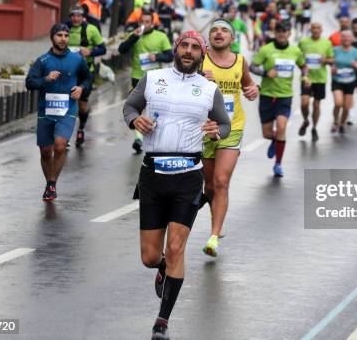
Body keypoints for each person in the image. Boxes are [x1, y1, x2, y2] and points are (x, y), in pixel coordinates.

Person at [123, 31, 231, 340]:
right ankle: (162, 268)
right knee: (149, 256)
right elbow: (130, 107)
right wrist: (135, 121)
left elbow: (223, 123)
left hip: (188, 175)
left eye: (195, 47)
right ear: (175, 48)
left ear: (202, 53)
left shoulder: (209, 89)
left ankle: (162, 322)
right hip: (153, 174)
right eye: (184, 45)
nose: (188, 51)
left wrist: (216, 131)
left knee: (176, 248)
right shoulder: (153, 78)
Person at [200, 19, 260, 257]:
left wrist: (253, 89)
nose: (219, 33)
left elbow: (249, 86)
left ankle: (214, 236)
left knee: (222, 180)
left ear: (232, 39)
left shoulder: (240, 61)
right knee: (210, 185)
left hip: (231, 126)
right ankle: (217, 215)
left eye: (224, 30)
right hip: (204, 128)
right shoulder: (199, 60)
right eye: (214, 29)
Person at [26, 23, 90, 201]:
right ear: (52, 37)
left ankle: (52, 183)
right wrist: (46, 79)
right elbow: (30, 82)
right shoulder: (43, 61)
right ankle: (49, 184)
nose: (63, 39)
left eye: (66, 35)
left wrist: (81, 88)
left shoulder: (77, 59)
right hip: (46, 110)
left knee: (60, 145)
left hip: (68, 109)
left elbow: (87, 79)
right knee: (46, 151)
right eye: (59, 35)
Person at [250, 21, 310, 177]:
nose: (282, 34)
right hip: (267, 96)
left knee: (282, 127)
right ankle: (274, 140)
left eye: (285, 31)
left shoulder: (295, 51)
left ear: (289, 33)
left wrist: (305, 77)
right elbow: (252, 66)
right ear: (275, 33)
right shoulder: (266, 49)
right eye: (279, 31)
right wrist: (265, 73)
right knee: (267, 133)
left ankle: (278, 164)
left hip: (285, 96)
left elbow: (303, 66)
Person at [119, 12, 173, 153]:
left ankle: (154, 134)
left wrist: (157, 56)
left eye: (147, 22)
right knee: (139, 108)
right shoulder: (135, 35)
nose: (144, 24)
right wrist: (134, 37)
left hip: (156, 79)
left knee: (154, 109)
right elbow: (122, 50)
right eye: (142, 22)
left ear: (152, 23)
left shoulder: (161, 36)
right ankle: (138, 138)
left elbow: (170, 56)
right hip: (137, 77)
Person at [66, 6, 107, 147]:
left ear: (83, 17)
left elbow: (103, 48)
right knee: (67, 104)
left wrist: (89, 52)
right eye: (73, 15)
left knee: (82, 107)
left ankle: (81, 128)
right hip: (67, 72)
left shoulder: (91, 29)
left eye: (79, 16)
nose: (76, 18)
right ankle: (65, 135)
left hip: (85, 73)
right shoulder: (64, 29)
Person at [298, 22, 334, 141]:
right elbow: (297, 58)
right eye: (313, 28)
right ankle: (306, 120)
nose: (316, 30)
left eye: (318, 28)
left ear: (321, 30)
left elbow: (332, 59)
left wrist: (326, 60)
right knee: (304, 103)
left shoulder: (327, 43)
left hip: (320, 78)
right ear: (310, 29)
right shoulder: (303, 42)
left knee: (316, 105)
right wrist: (302, 67)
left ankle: (314, 128)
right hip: (306, 77)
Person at [331, 30, 357, 134]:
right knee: (338, 103)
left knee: (346, 107)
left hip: (350, 81)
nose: (346, 39)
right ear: (340, 39)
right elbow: (330, 62)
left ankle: (342, 124)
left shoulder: (356, 51)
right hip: (337, 80)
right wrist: (332, 67)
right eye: (344, 37)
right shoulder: (335, 50)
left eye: (348, 37)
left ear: (352, 39)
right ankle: (335, 121)